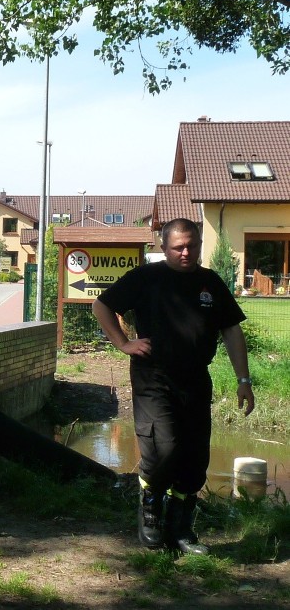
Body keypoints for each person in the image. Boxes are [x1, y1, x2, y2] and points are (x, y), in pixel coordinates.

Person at [92, 218, 255, 554]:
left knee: (195, 457)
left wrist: (244, 380)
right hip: (154, 378)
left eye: (192, 246)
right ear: (163, 247)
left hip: (195, 378)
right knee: (163, 449)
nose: (186, 252)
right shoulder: (146, 278)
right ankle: (150, 509)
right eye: (178, 246)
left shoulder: (210, 282)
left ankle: (181, 528)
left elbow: (232, 331)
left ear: (199, 245)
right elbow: (102, 306)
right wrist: (124, 343)